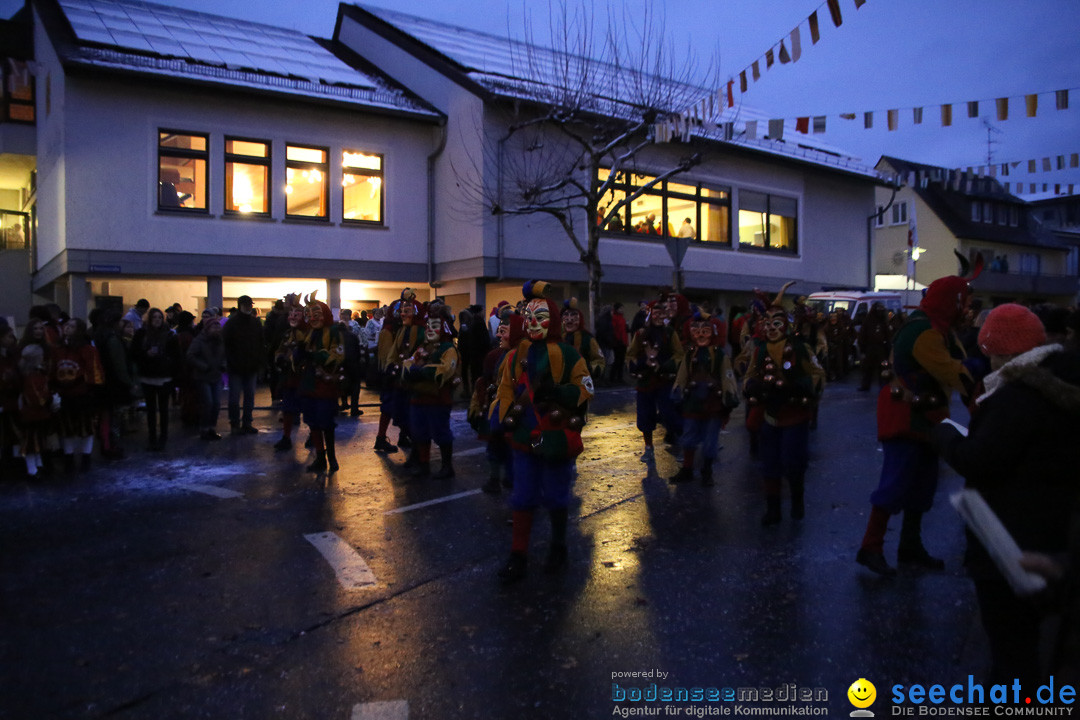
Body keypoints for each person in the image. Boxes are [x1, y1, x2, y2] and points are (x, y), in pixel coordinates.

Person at [932, 303, 1080, 687]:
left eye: (991, 351)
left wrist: (946, 435)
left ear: (1002, 350)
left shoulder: (1016, 396)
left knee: (1011, 651)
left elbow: (979, 459)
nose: (989, 360)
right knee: (1028, 644)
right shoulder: (1059, 380)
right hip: (1053, 529)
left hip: (1009, 539)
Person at [856, 265, 980, 577]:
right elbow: (954, 372)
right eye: (963, 303)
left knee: (923, 484)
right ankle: (870, 547)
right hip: (907, 417)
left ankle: (910, 546)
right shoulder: (924, 331)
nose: (967, 310)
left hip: (927, 417)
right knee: (896, 482)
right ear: (949, 302)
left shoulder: (938, 328)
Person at [493, 281, 594, 584]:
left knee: (555, 495)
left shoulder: (568, 354)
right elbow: (505, 390)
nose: (533, 323)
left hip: (554, 437)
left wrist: (560, 392)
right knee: (522, 495)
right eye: (529, 318)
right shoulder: (514, 356)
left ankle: (558, 546)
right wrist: (504, 421)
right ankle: (518, 553)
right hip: (526, 437)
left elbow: (586, 388)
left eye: (541, 317)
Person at [741, 284, 825, 523]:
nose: (771, 329)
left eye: (776, 323)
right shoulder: (759, 349)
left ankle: (797, 499)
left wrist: (802, 384)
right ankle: (773, 508)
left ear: (786, 325)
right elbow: (750, 375)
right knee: (770, 463)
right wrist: (751, 386)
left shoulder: (800, 347)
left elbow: (818, 374)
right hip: (770, 414)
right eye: (767, 324)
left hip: (794, 415)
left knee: (794, 461)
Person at [668, 308, 739, 486]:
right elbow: (682, 375)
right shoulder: (689, 354)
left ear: (712, 332)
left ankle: (707, 470)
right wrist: (677, 392)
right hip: (692, 401)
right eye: (696, 330)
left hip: (713, 402)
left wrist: (729, 397)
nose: (700, 335)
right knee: (689, 436)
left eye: (705, 331)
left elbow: (727, 375)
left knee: (710, 439)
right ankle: (687, 468)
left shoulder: (720, 355)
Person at [401, 304, 460, 478]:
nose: (430, 329)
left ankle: (447, 466)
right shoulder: (422, 347)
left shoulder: (448, 348)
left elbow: (446, 369)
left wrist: (420, 371)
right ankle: (424, 464)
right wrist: (413, 370)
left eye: (435, 326)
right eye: (428, 326)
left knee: (441, 432)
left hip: (438, 399)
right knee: (419, 432)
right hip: (419, 397)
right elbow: (408, 364)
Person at [626, 300, 684, 462]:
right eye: (656, 314)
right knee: (645, 415)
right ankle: (648, 447)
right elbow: (630, 354)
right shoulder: (640, 334)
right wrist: (640, 365)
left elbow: (679, 354)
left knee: (669, 413)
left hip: (665, 380)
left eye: (662, 314)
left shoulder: (670, 333)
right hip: (645, 381)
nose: (659, 317)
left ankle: (681, 443)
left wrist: (664, 366)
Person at [299, 301, 345, 473]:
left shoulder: (333, 331)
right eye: (310, 314)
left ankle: (331, 457)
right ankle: (320, 456)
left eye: (316, 313)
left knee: (326, 421)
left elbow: (338, 355)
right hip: (309, 383)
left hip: (325, 384)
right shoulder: (309, 333)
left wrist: (317, 356)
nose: (313, 317)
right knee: (313, 421)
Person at [52, 318, 104, 470]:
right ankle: (68, 457)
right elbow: (51, 369)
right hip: (63, 394)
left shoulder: (87, 349)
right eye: (67, 325)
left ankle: (86, 456)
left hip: (83, 394)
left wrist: (93, 390)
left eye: (72, 326)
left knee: (86, 428)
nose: (68, 328)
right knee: (66, 429)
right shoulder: (57, 349)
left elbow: (94, 371)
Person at [131, 308, 181, 451]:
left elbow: (177, 356)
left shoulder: (170, 335)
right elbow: (134, 353)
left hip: (164, 376)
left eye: (160, 317)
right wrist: (146, 354)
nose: (157, 320)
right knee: (151, 409)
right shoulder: (142, 334)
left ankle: (163, 437)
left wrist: (173, 372)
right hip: (148, 376)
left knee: (164, 409)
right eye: (155, 317)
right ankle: (152, 437)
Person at [222, 295, 265, 435]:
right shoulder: (233, 324)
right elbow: (225, 344)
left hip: (249, 366)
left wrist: (259, 362)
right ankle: (236, 423)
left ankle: (245, 422)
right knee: (236, 398)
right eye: (246, 305)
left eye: (249, 305)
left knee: (248, 397)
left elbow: (260, 344)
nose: (248, 307)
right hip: (237, 366)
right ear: (240, 305)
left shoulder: (254, 323)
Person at [272, 299, 308, 451]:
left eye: (297, 314)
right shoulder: (288, 334)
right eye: (291, 314)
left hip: (305, 377)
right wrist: (279, 358)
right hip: (290, 377)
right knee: (288, 408)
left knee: (309, 408)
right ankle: (286, 437)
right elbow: (280, 349)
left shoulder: (309, 334)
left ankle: (314, 436)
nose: (293, 317)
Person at [187, 311, 227, 441]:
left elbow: (224, 355)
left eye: (218, 326)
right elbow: (190, 355)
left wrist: (223, 364)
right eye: (214, 327)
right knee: (208, 403)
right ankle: (204, 428)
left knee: (216, 403)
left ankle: (211, 428)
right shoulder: (200, 340)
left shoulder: (220, 341)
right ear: (208, 328)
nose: (217, 329)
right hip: (203, 376)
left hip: (215, 375)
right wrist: (203, 366)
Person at [857, 302, 892, 391]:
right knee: (868, 367)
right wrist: (863, 349)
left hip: (881, 349)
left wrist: (888, 348)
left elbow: (888, 335)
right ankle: (866, 385)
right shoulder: (868, 321)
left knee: (883, 367)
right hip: (870, 348)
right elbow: (862, 335)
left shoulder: (884, 321)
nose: (880, 312)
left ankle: (883, 386)